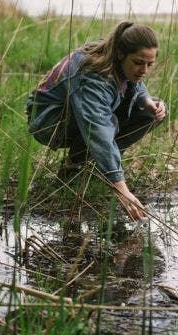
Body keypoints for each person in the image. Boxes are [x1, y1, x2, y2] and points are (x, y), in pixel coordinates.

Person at [26, 21, 166, 221]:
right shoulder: (93, 76)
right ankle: (74, 167)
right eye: (138, 62)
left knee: (152, 112)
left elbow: (135, 82)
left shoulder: (116, 55)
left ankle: (96, 166)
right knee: (108, 124)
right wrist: (120, 188)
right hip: (48, 120)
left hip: (82, 113)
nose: (144, 70)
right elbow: (98, 128)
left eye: (149, 64)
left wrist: (146, 101)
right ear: (121, 54)